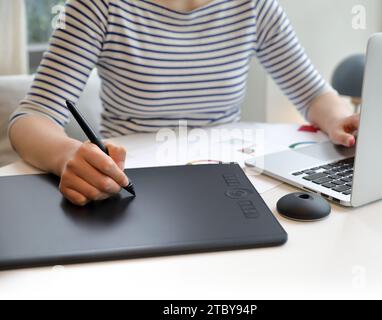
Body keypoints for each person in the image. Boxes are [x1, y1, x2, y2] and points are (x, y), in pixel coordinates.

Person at [9, 0, 359, 206]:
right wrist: (67, 153)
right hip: (132, 188)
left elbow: (313, 94)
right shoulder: (99, 6)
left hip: (230, 187)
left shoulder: (253, 7)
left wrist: (341, 120)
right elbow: (31, 119)